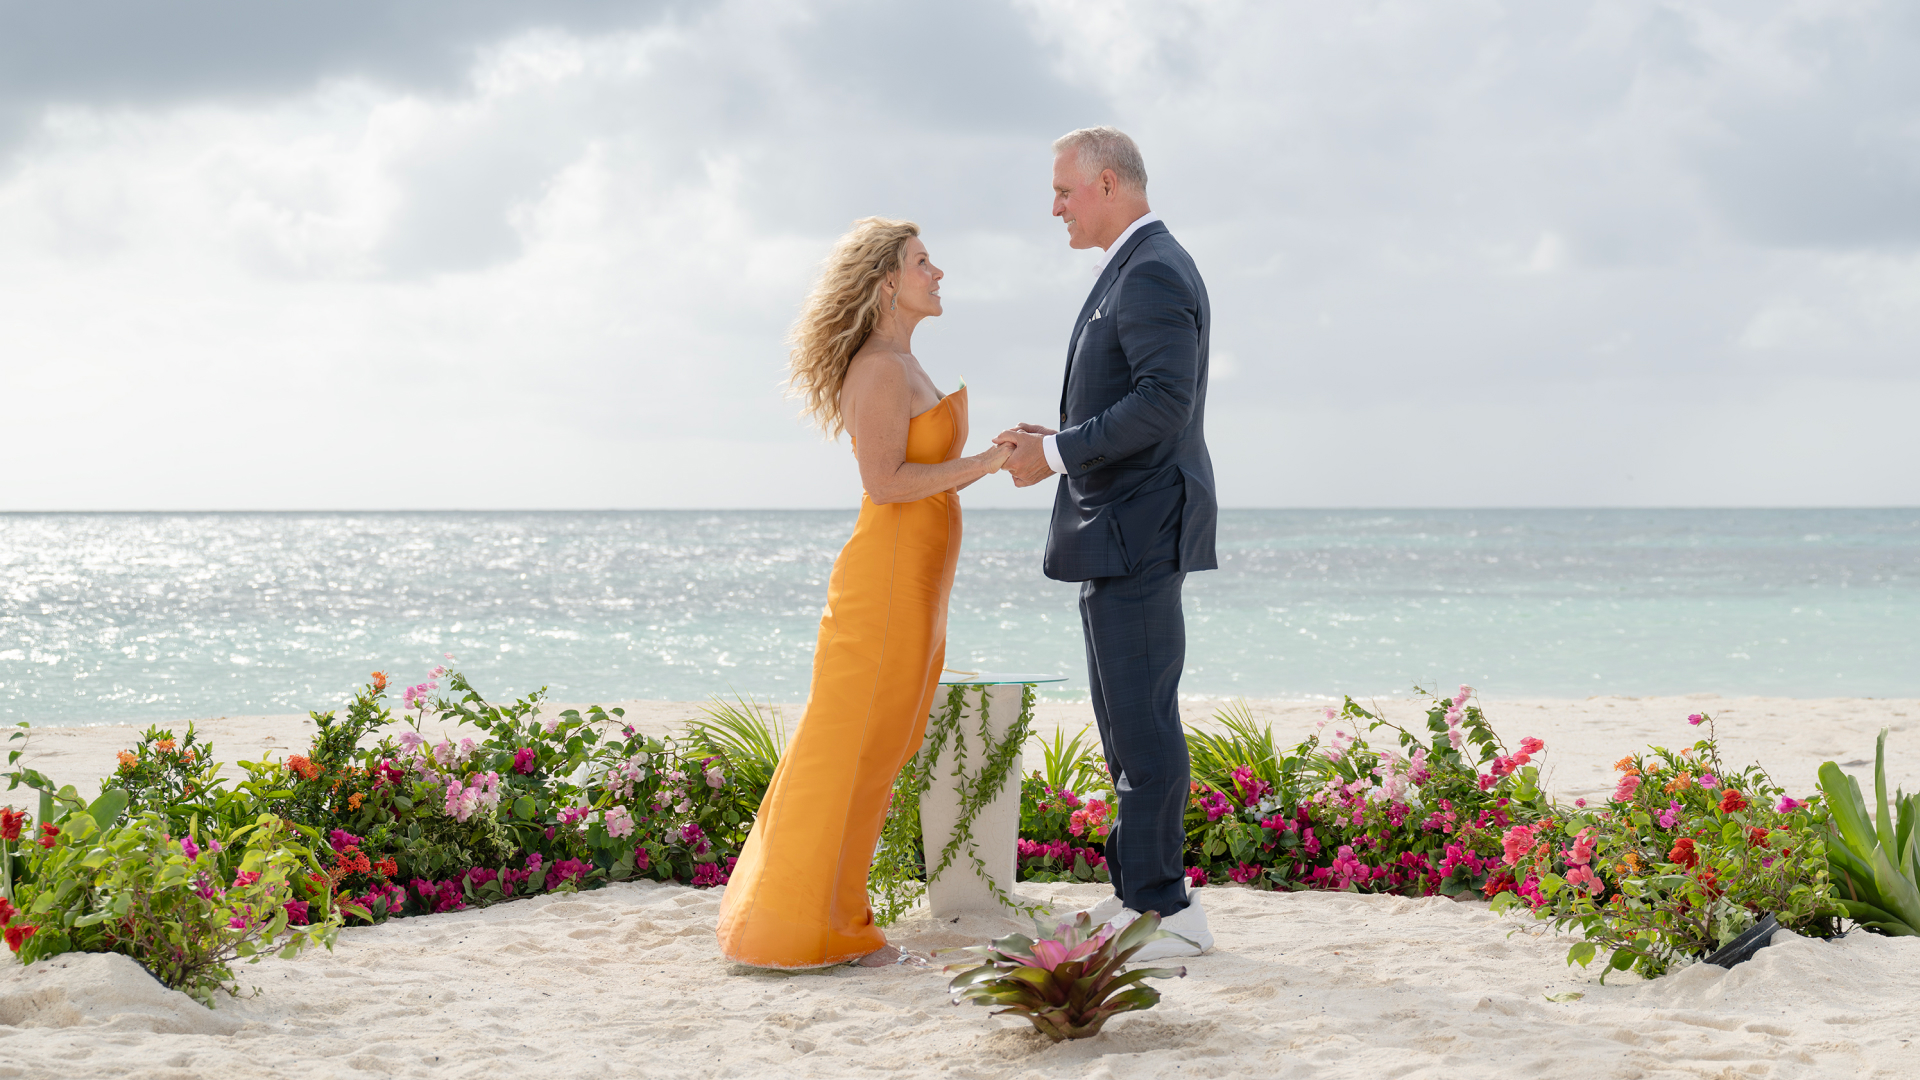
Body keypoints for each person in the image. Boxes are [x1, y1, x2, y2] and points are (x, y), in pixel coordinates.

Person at [716, 218, 1011, 969]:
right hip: (884, 586)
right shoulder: (879, 368)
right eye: (922, 262)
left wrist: (990, 457)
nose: (938, 272)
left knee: (880, 751)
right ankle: (799, 928)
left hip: (916, 589)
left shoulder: (905, 363)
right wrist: (982, 463)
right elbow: (885, 483)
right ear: (887, 282)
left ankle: (839, 920)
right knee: (846, 749)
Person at [995, 127, 1217, 961]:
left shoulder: (1153, 269)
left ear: (1110, 184)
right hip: (1116, 530)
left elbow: (1164, 403)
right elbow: (1136, 403)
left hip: (1139, 530)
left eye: (1064, 191)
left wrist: (1054, 452)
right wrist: (1060, 439)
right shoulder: (1131, 269)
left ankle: (1168, 912)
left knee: (1144, 727)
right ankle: (1140, 901)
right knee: (1126, 727)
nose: (1053, 207)